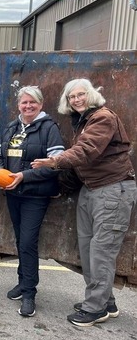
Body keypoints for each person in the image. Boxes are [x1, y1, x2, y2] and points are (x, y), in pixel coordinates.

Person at [32, 78, 137, 327]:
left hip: (113, 189)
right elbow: (83, 163)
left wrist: (54, 161)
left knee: (101, 252)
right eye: (72, 97)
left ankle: (94, 309)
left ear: (91, 95)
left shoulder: (103, 118)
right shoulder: (82, 121)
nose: (77, 99)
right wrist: (61, 188)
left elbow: (87, 150)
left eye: (81, 94)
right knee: (89, 250)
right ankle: (105, 302)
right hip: (91, 189)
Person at [0, 86, 65, 317]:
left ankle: (29, 293)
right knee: (20, 240)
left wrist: (23, 176)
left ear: (41, 104)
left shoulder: (49, 128)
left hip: (35, 195)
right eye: (24, 102)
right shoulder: (12, 128)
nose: (28, 106)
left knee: (27, 242)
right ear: (18, 105)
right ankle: (22, 282)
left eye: (32, 102)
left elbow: (55, 165)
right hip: (13, 194)